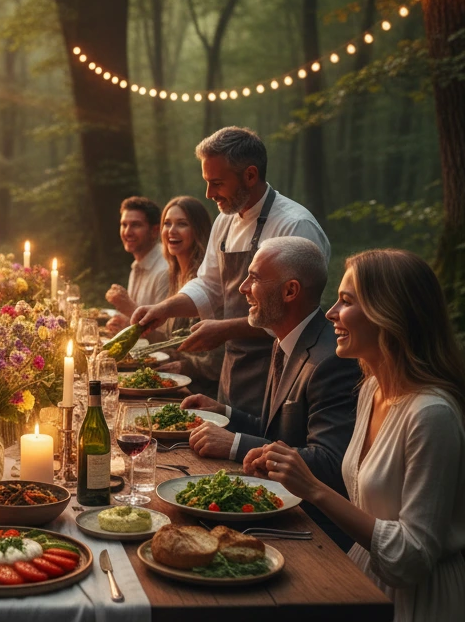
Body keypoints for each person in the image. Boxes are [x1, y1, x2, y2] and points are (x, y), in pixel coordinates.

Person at [259, 249, 465, 622]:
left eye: (345, 301)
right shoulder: (372, 387)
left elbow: (412, 558)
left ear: (389, 314)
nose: (331, 314)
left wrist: (313, 490)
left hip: (417, 618)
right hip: (363, 586)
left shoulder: (431, 416)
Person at [131, 126, 330, 417]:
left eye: (217, 183)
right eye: (207, 183)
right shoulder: (224, 221)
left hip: (279, 374)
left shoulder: (294, 225)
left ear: (250, 175)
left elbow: (298, 316)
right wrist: (164, 308)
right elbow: (209, 286)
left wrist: (223, 329)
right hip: (233, 370)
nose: (209, 194)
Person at [182, 236, 359, 546]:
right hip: (276, 503)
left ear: (290, 291)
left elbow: (331, 464)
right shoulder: (283, 338)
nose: (243, 288)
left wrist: (236, 444)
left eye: (255, 277)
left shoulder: (331, 361)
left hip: (312, 530)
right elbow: (277, 432)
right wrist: (225, 414)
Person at [152, 195, 223, 393]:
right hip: (177, 384)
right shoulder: (172, 276)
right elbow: (172, 341)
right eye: (167, 224)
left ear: (198, 231)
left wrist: (184, 365)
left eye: (182, 224)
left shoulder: (206, 280)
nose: (171, 231)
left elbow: (216, 360)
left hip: (202, 392)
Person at [103, 196, 168, 333]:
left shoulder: (165, 270)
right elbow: (133, 324)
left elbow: (166, 337)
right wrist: (121, 323)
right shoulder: (136, 266)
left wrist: (129, 308)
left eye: (136, 225)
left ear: (155, 231)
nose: (127, 232)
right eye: (124, 225)